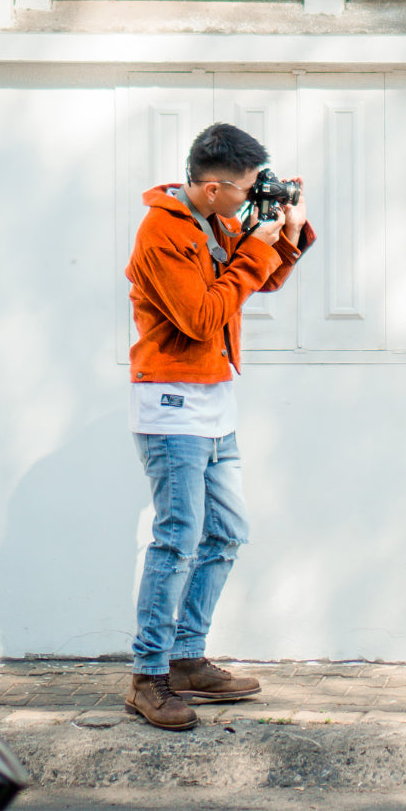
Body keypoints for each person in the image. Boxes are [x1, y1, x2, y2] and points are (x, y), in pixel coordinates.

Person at [124, 123, 314, 730]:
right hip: (172, 405)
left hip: (214, 402)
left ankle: (186, 658)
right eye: (243, 190)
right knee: (178, 538)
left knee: (226, 533)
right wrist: (256, 246)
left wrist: (284, 235)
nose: (247, 199)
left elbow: (260, 280)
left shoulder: (214, 221)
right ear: (210, 188)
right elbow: (206, 318)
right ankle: (148, 677)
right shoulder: (160, 235)